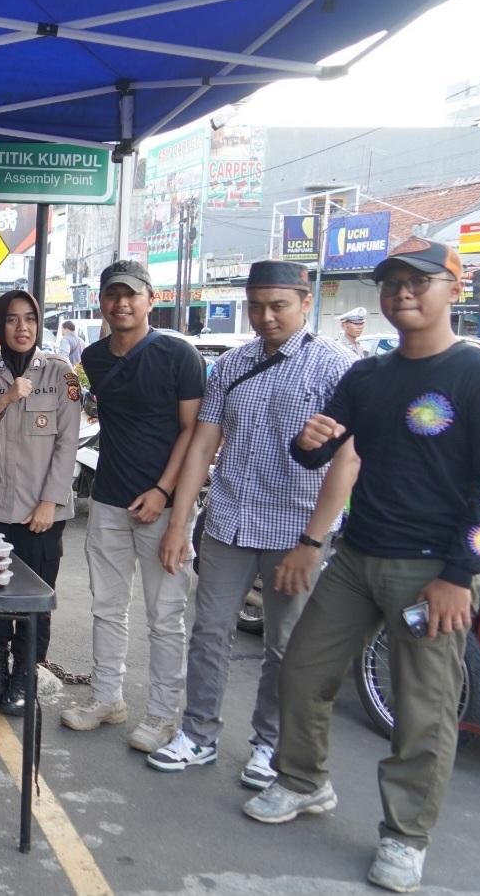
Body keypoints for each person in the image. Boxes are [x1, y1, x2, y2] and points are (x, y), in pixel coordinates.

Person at [245, 240, 480, 893]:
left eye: (418, 281)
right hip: (357, 556)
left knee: (423, 712)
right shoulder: (368, 376)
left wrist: (460, 574)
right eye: (392, 282)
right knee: (302, 672)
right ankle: (303, 781)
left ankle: (405, 838)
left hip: (434, 572)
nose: (402, 293)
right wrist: (306, 442)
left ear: (454, 288)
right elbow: (319, 453)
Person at [148, 261, 354, 789]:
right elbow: (203, 444)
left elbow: (353, 459)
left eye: (278, 306)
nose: (265, 317)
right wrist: (179, 522)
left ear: (305, 304)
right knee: (210, 632)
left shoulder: (335, 368)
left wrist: (314, 540)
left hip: (296, 531)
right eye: (256, 306)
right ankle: (199, 733)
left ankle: (270, 744)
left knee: (285, 645)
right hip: (229, 522)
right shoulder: (234, 363)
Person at [59, 259, 205, 755]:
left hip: (162, 506)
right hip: (107, 500)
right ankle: (107, 698)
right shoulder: (95, 359)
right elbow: (80, 406)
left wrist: (165, 494)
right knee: (106, 607)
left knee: (166, 614)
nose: (121, 303)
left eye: (131, 294)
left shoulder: (178, 355)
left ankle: (164, 716)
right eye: (112, 294)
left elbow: (194, 432)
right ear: (101, 301)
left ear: (150, 299)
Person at [0, 289, 80, 716]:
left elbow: (68, 445)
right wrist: (6, 397)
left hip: (40, 513)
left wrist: (50, 502)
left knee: (33, 600)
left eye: (29, 318)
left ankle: (24, 675)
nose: (22, 327)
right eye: (12, 320)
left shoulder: (61, 374)